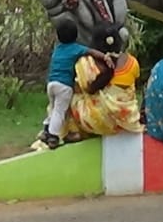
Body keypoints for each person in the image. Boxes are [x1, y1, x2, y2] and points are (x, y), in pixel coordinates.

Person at [63, 25, 145, 138]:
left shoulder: (86, 62)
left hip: (98, 122)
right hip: (126, 120)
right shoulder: (132, 62)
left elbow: (83, 88)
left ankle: (74, 131)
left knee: (70, 95)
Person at [40, 20, 110, 149]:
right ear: (76, 35)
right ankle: (53, 136)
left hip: (51, 83)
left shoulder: (58, 48)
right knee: (60, 111)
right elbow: (92, 52)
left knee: (53, 107)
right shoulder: (76, 48)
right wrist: (105, 57)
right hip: (64, 85)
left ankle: (46, 129)